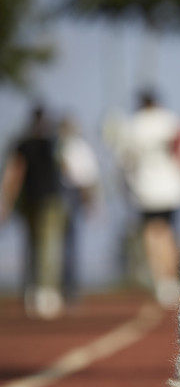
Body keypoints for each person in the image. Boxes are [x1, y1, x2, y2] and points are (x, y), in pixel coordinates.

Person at [107, 90, 180, 307]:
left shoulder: (133, 125)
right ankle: (173, 278)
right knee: (170, 232)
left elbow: (122, 160)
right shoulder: (172, 120)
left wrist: (127, 185)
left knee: (153, 234)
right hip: (173, 187)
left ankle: (162, 281)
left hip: (146, 189)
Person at [0, 105, 67, 319]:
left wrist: (7, 201)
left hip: (34, 200)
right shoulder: (53, 142)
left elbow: (14, 172)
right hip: (48, 200)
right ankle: (45, 291)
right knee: (47, 246)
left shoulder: (25, 143)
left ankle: (34, 290)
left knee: (34, 244)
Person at [57, 116, 100, 304]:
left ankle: (69, 287)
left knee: (69, 244)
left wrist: (89, 201)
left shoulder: (76, 146)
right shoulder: (61, 145)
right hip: (62, 194)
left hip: (71, 194)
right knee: (64, 244)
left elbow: (86, 177)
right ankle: (64, 287)